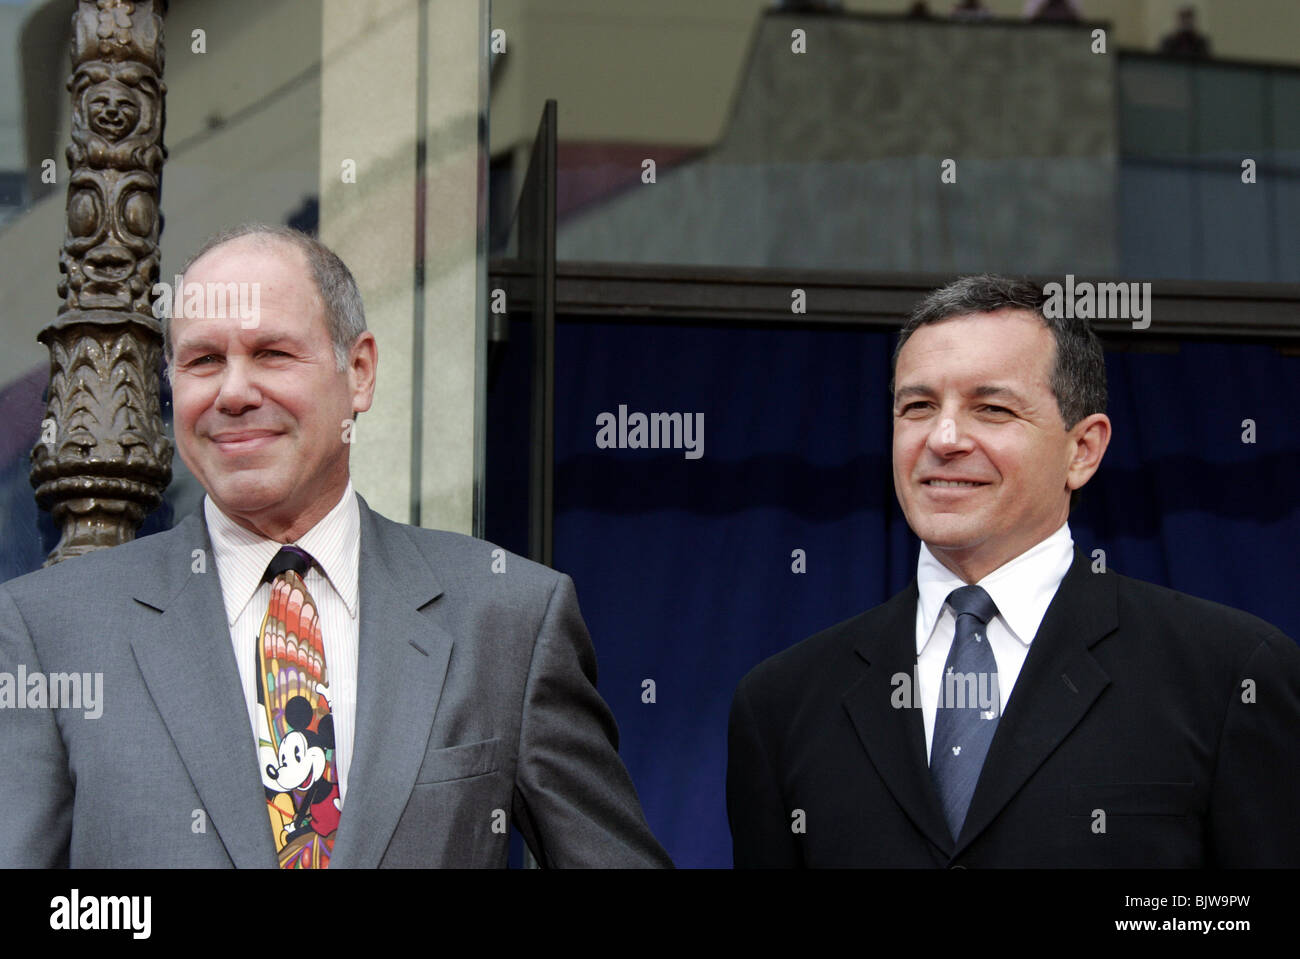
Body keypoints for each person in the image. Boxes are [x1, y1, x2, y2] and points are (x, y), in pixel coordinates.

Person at [0, 224, 671, 868]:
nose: (234, 392)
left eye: (271, 353)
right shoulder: (51, 632)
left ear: (359, 372)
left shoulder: (508, 617)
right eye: (204, 360)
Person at [727, 274, 1300, 867]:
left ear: (1083, 450)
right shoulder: (781, 703)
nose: (944, 438)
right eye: (918, 406)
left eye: (992, 409)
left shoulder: (1229, 675)